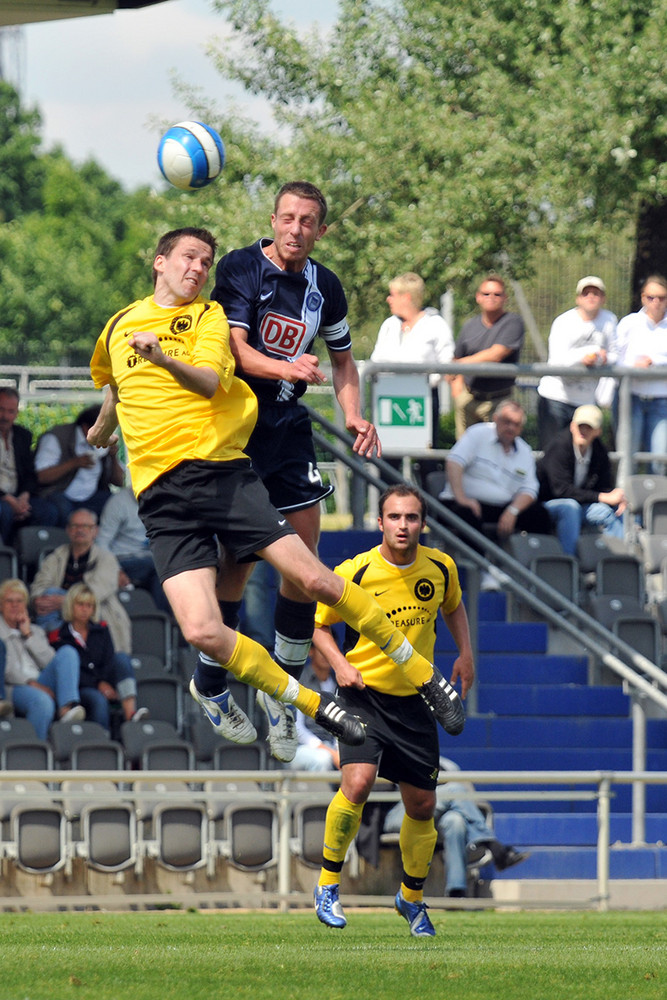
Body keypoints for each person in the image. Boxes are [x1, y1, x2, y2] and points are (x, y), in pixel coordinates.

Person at [87, 227, 462, 768]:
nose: (198, 268)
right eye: (189, 258)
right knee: (201, 628)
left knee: (312, 578)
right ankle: (305, 703)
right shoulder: (120, 323)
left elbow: (209, 383)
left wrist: (164, 358)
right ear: (159, 262)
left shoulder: (209, 317)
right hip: (159, 497)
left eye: (206, 261)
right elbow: (112, 376)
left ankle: (424, 676)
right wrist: (105, 421)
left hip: (220, 475)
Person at [210, 181, 381, 762]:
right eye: (288, 218)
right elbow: (235, 351)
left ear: (321, 230)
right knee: (234, 566)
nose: (296, 229)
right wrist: (287, 365)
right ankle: (212, 686)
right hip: (238, 428)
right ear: (274, 220)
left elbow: (343, 361)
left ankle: (284, 699)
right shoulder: (240, 269)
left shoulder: (324, 286)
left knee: (305, 567)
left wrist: (354, 415)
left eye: (308, 221)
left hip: (288, 430)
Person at [311, 484, 474, 937]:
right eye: (395, 517)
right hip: (363, 697)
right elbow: (318, 626)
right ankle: (327, 884)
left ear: (423, 523)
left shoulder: (440, 567)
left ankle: (412, 898)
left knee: (422, 805)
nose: (404, 526)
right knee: (358, 782)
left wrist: (465, 653)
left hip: (418, 701)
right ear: (380, 522)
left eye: (412, 518)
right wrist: (340, 664)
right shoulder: (356, 571)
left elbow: (454, 607)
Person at [439, 400, 552, 586]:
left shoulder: (524, 450)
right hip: (462, 501)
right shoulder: (478, 434)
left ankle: (536, 573)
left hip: (503, 507)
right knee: (466, 514)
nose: (510, 427)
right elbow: (454, 462)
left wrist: (513, 511)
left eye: (516, 424)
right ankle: (485, 570)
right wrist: (462, 498)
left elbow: (530, 489)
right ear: (495, 419)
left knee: (541, 515)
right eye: (506, 421)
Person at [383, 757, 529, 898]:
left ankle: (456, 892)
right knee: (454, 790)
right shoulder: (401, 756)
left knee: (455, 821)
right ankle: (492, 844)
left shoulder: (449, 766)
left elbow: (468, 799)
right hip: (400, 815)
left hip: (435, 819)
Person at [370, 272, 454, 481]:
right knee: (387, 460)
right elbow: (376, 359)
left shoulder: (435, 324)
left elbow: (447, 362)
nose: (389, 299)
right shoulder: (389, 325)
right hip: (389, 397)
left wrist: (424, 380)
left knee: (426, 460)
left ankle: (431, 512)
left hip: (422, 399)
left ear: (406, 297)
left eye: (393, 294)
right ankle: (387, 511)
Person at [29, 508, 131, 654]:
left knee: (55, 593)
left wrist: (65, 601)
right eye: (75, 526)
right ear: (68, 530)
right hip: (58, 614)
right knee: (48, 593)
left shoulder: (107, 559)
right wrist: (38, 600)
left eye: (86, 526)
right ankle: (50, 647)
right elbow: (38, 586)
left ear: (95, 531)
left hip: (94, 614)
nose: (80, 530)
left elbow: (95, 593)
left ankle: (53, 646)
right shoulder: (56, 556)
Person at [49, 583, 146, 731]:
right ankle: (103, 741)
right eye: (80, 604)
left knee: (122, 659)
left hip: (103, 680)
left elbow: (108, 659)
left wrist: (103, 683)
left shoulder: (101, 629)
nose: (85, 609)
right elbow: (69, 673)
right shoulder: (59, 636)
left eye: (89, 605)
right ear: (71, 605)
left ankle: (130, 714)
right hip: (80, 688)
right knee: (98, 700)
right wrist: (99, 685)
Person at [536, 276, 617, 449]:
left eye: (596, 293)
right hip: (556, 398)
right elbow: (556, 361)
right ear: (578, 298)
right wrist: (584, 357)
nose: (591, 297)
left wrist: (601, 358)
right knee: (552, 452)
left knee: (583, 452)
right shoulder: (564, 322)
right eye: (586, 293)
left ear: (603, 298)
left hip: (586, 401)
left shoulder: (609, 320)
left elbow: (616, 355)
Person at [0, 577, 84, 739]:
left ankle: (67, 707)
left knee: (67, 652)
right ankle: (35, 751)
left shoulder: (36, 630)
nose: (15, 605)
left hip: (40, 680)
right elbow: (7, 671)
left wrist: (28, 635)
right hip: (14, 686)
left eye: (19, 601)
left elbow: (50, 661)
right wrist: (32, 684)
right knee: (42, 702)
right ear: (1, 605)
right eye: (9, 601)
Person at [538, 405, 627, 555]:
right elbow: (560, 490)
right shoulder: (559, 447)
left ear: (598, 431)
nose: (583, 431)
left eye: (589, 427)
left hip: (582, 504)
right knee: (570, 507)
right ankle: (570, 565)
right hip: (549, 504)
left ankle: (619, 562)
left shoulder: (599, 451)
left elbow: (604, 486)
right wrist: (603, 497)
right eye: (580, 426)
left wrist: (617, 496)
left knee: (615, 510)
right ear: (572, 426)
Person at [448, 275, 525, 439]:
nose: (491, 298)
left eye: (497, 294)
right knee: (465, 452)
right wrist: (458, 395)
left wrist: (460, 365)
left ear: (505, 298)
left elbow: (496, 354)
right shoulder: (470, 326)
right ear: (478, 297)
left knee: (496, 451)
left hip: (499, 402)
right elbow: (455, 359)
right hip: (469, 399)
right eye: (486, 294)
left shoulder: (512, 322)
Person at [33, 404, 125, 525]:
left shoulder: (105, 443)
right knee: (61, 510)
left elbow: (119, 482)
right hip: (59, 493)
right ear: (87, 428)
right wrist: (74, 463)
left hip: (92, 496)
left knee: (115, 505)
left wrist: (113, 457)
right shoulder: (57, 437)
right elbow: (41, 476)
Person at [613, 275, 667, 473]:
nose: (656, 303)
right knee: (628, 456)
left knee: (659, 459)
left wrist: (655, 363)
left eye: (662, 297)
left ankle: (656, 503)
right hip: (631, 397)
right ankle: (627, 503)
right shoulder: (629, 323)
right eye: (651, 297)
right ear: (643, 298)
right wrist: (633, 366)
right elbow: (614, 358)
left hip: (662, 401)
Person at [96, 485, 169, 612]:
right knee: (159, 568)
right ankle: (161, 619)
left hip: (152, 558)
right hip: (122, 559)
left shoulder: (163, 500)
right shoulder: (119, 502)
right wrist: (115, 570)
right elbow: (101, 542)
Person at [0, 387, 59, 543]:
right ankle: (5, 557)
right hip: (3, 499)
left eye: (10, 411)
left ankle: (31, 560)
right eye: (1, 410)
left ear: (16, 413)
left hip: (18, 496)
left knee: (48, 511)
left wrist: (24, 498)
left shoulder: (22, 435)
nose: (5, 416)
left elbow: (29, 473)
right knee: (4, 511)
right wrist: (9, 500)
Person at [289, 644, 340, 773]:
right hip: (300, 748)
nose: (326, 656)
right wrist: (329, 751)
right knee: (323, 759)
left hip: (331, 747)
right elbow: (297, 729)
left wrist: (338, 751)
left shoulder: (339, 684)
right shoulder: (299, 681)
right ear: (311, 651)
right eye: (322, 650)